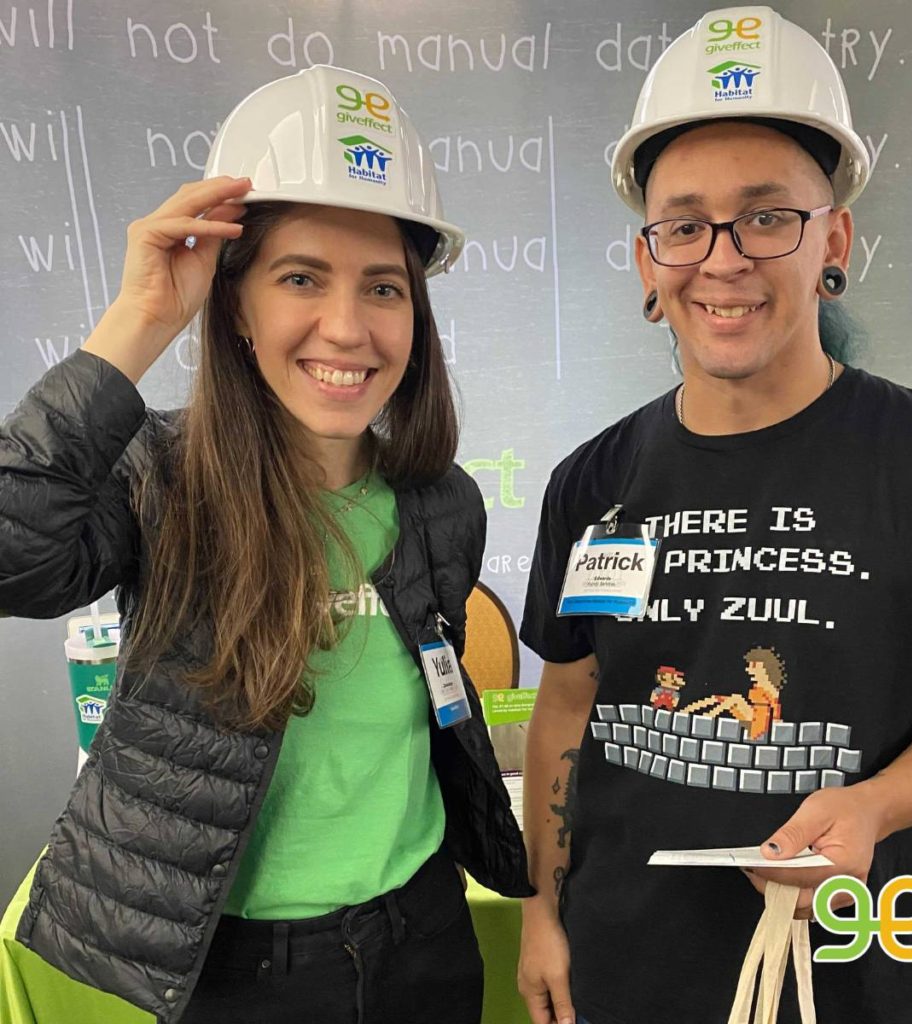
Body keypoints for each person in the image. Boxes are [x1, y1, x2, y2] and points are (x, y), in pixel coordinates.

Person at [516, 7, 912, 1024]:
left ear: (832, 238)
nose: (722, 257)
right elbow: (566, 703)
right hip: (623, 971)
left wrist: (873, 804)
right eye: (684, 222)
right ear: (647, 259)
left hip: (853, 968)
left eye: (764, 216)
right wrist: (540, 909)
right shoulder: (591, 482)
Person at [0, 65, 529, 1024]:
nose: (348, 327)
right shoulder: (157, 477)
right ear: (235, 307)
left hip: (426, 937)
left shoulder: (440, 501)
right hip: (243, 975)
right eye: (299, 278)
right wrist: (142, 321)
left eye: (384, 288)